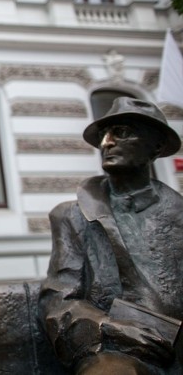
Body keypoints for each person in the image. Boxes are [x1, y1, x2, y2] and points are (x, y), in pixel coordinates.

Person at [39, 97, 183, 374]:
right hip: (115, 350)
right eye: (104, 135)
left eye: (122, 132)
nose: (106, 143)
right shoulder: (72, 215)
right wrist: (110, 328)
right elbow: (58, 299)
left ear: (157, 146)